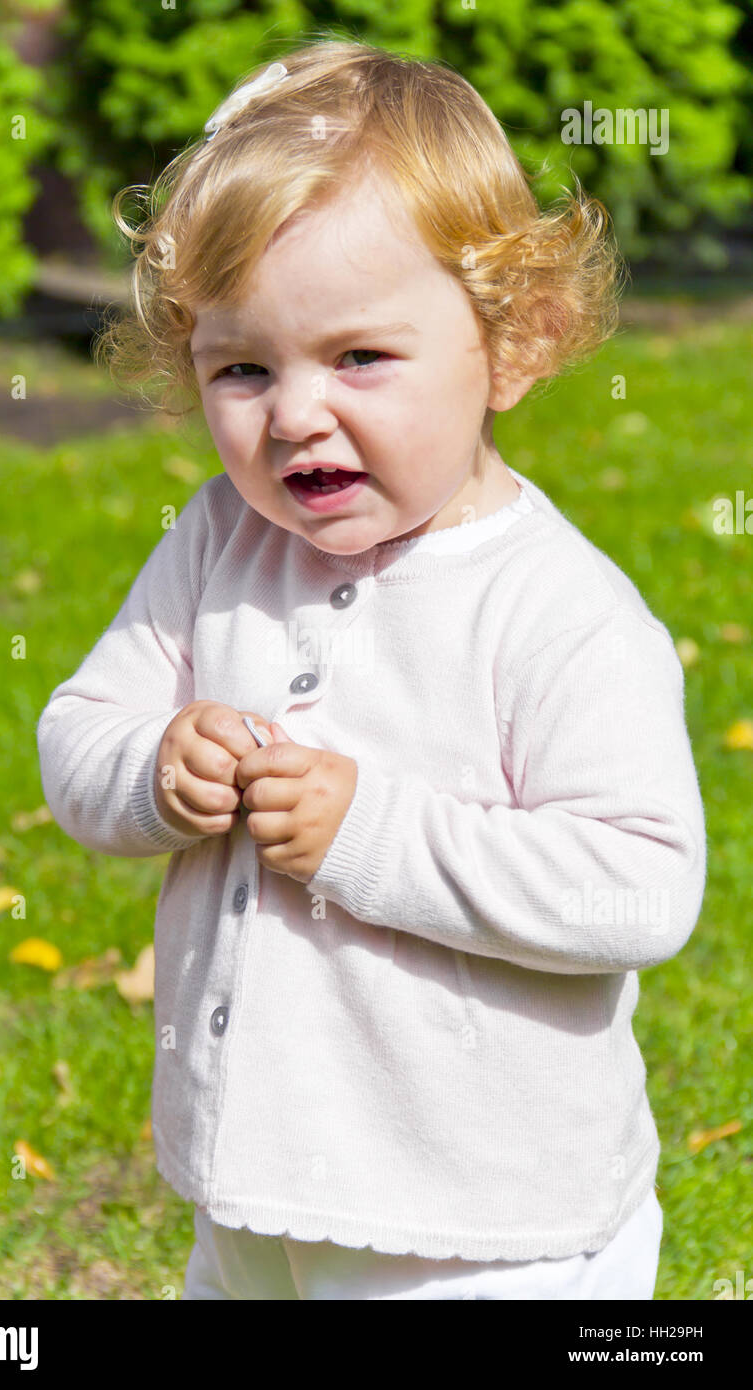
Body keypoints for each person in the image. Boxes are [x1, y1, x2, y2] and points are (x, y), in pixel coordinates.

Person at [36, 36, 706, 1300]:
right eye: (242, 367)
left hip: (482, 1232)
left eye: (358, 358)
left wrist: (367, 828)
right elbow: (83, 722)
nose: (293, 415)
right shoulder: (219, 539)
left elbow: (639, 885)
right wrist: (150, 766)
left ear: (513, 343)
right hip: (251, 1200)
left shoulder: (552, 608)